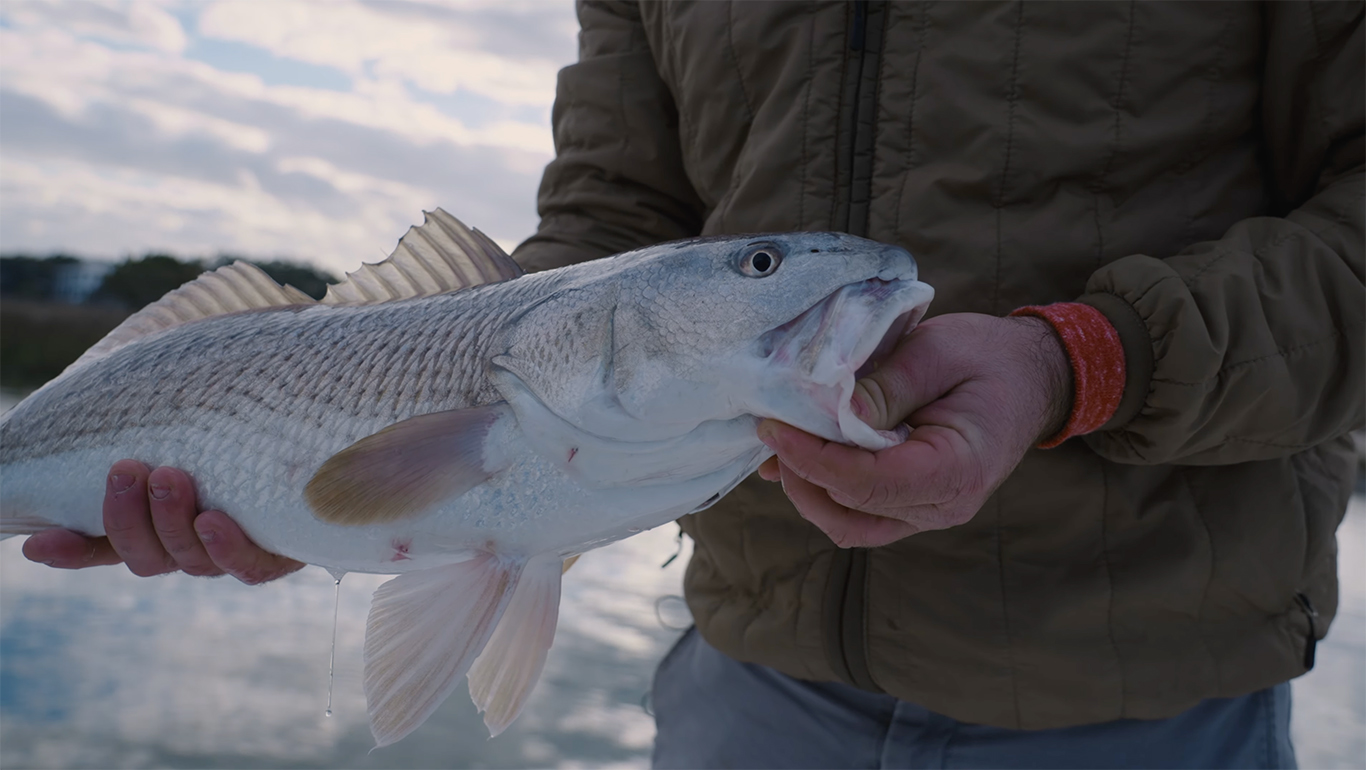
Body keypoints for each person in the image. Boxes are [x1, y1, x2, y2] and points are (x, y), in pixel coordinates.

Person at [24, 2, 1364, 767]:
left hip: (1145, 684)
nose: (825, 285)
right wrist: (299, 501)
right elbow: (611, 217)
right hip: (748, 669)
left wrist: (1078, 359)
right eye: (763, 268)